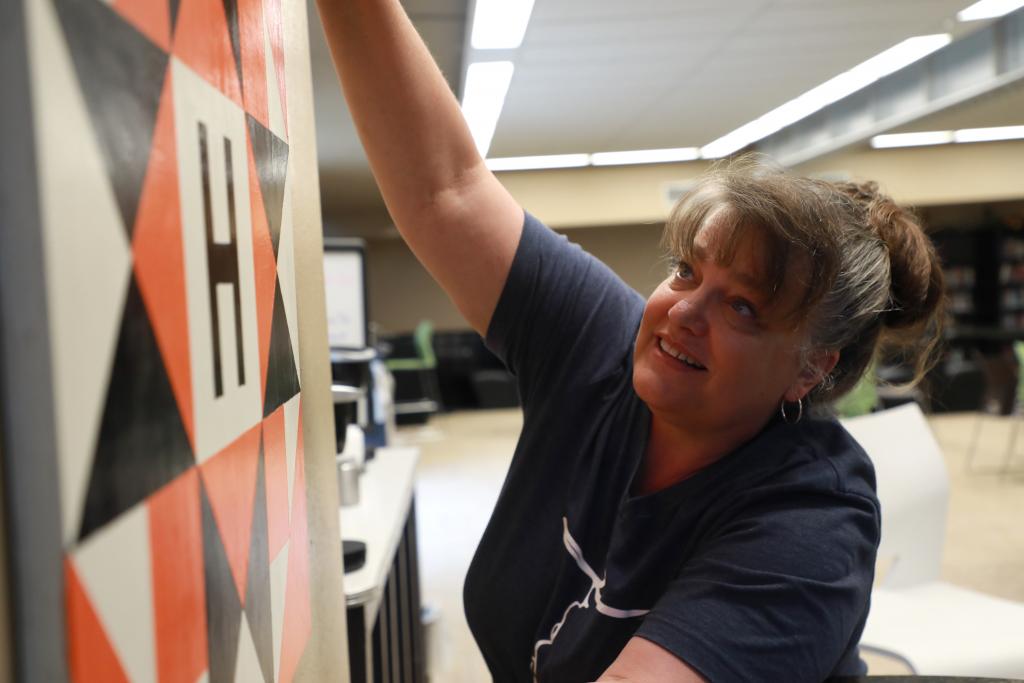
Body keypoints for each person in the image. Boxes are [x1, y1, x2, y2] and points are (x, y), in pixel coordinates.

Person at [314, 2, 946, 681]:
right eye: (686, 271)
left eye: (741, 306)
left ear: (810, 368)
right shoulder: (604, 348)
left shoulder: (811, 520)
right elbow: (448, 189)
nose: (684, 312)